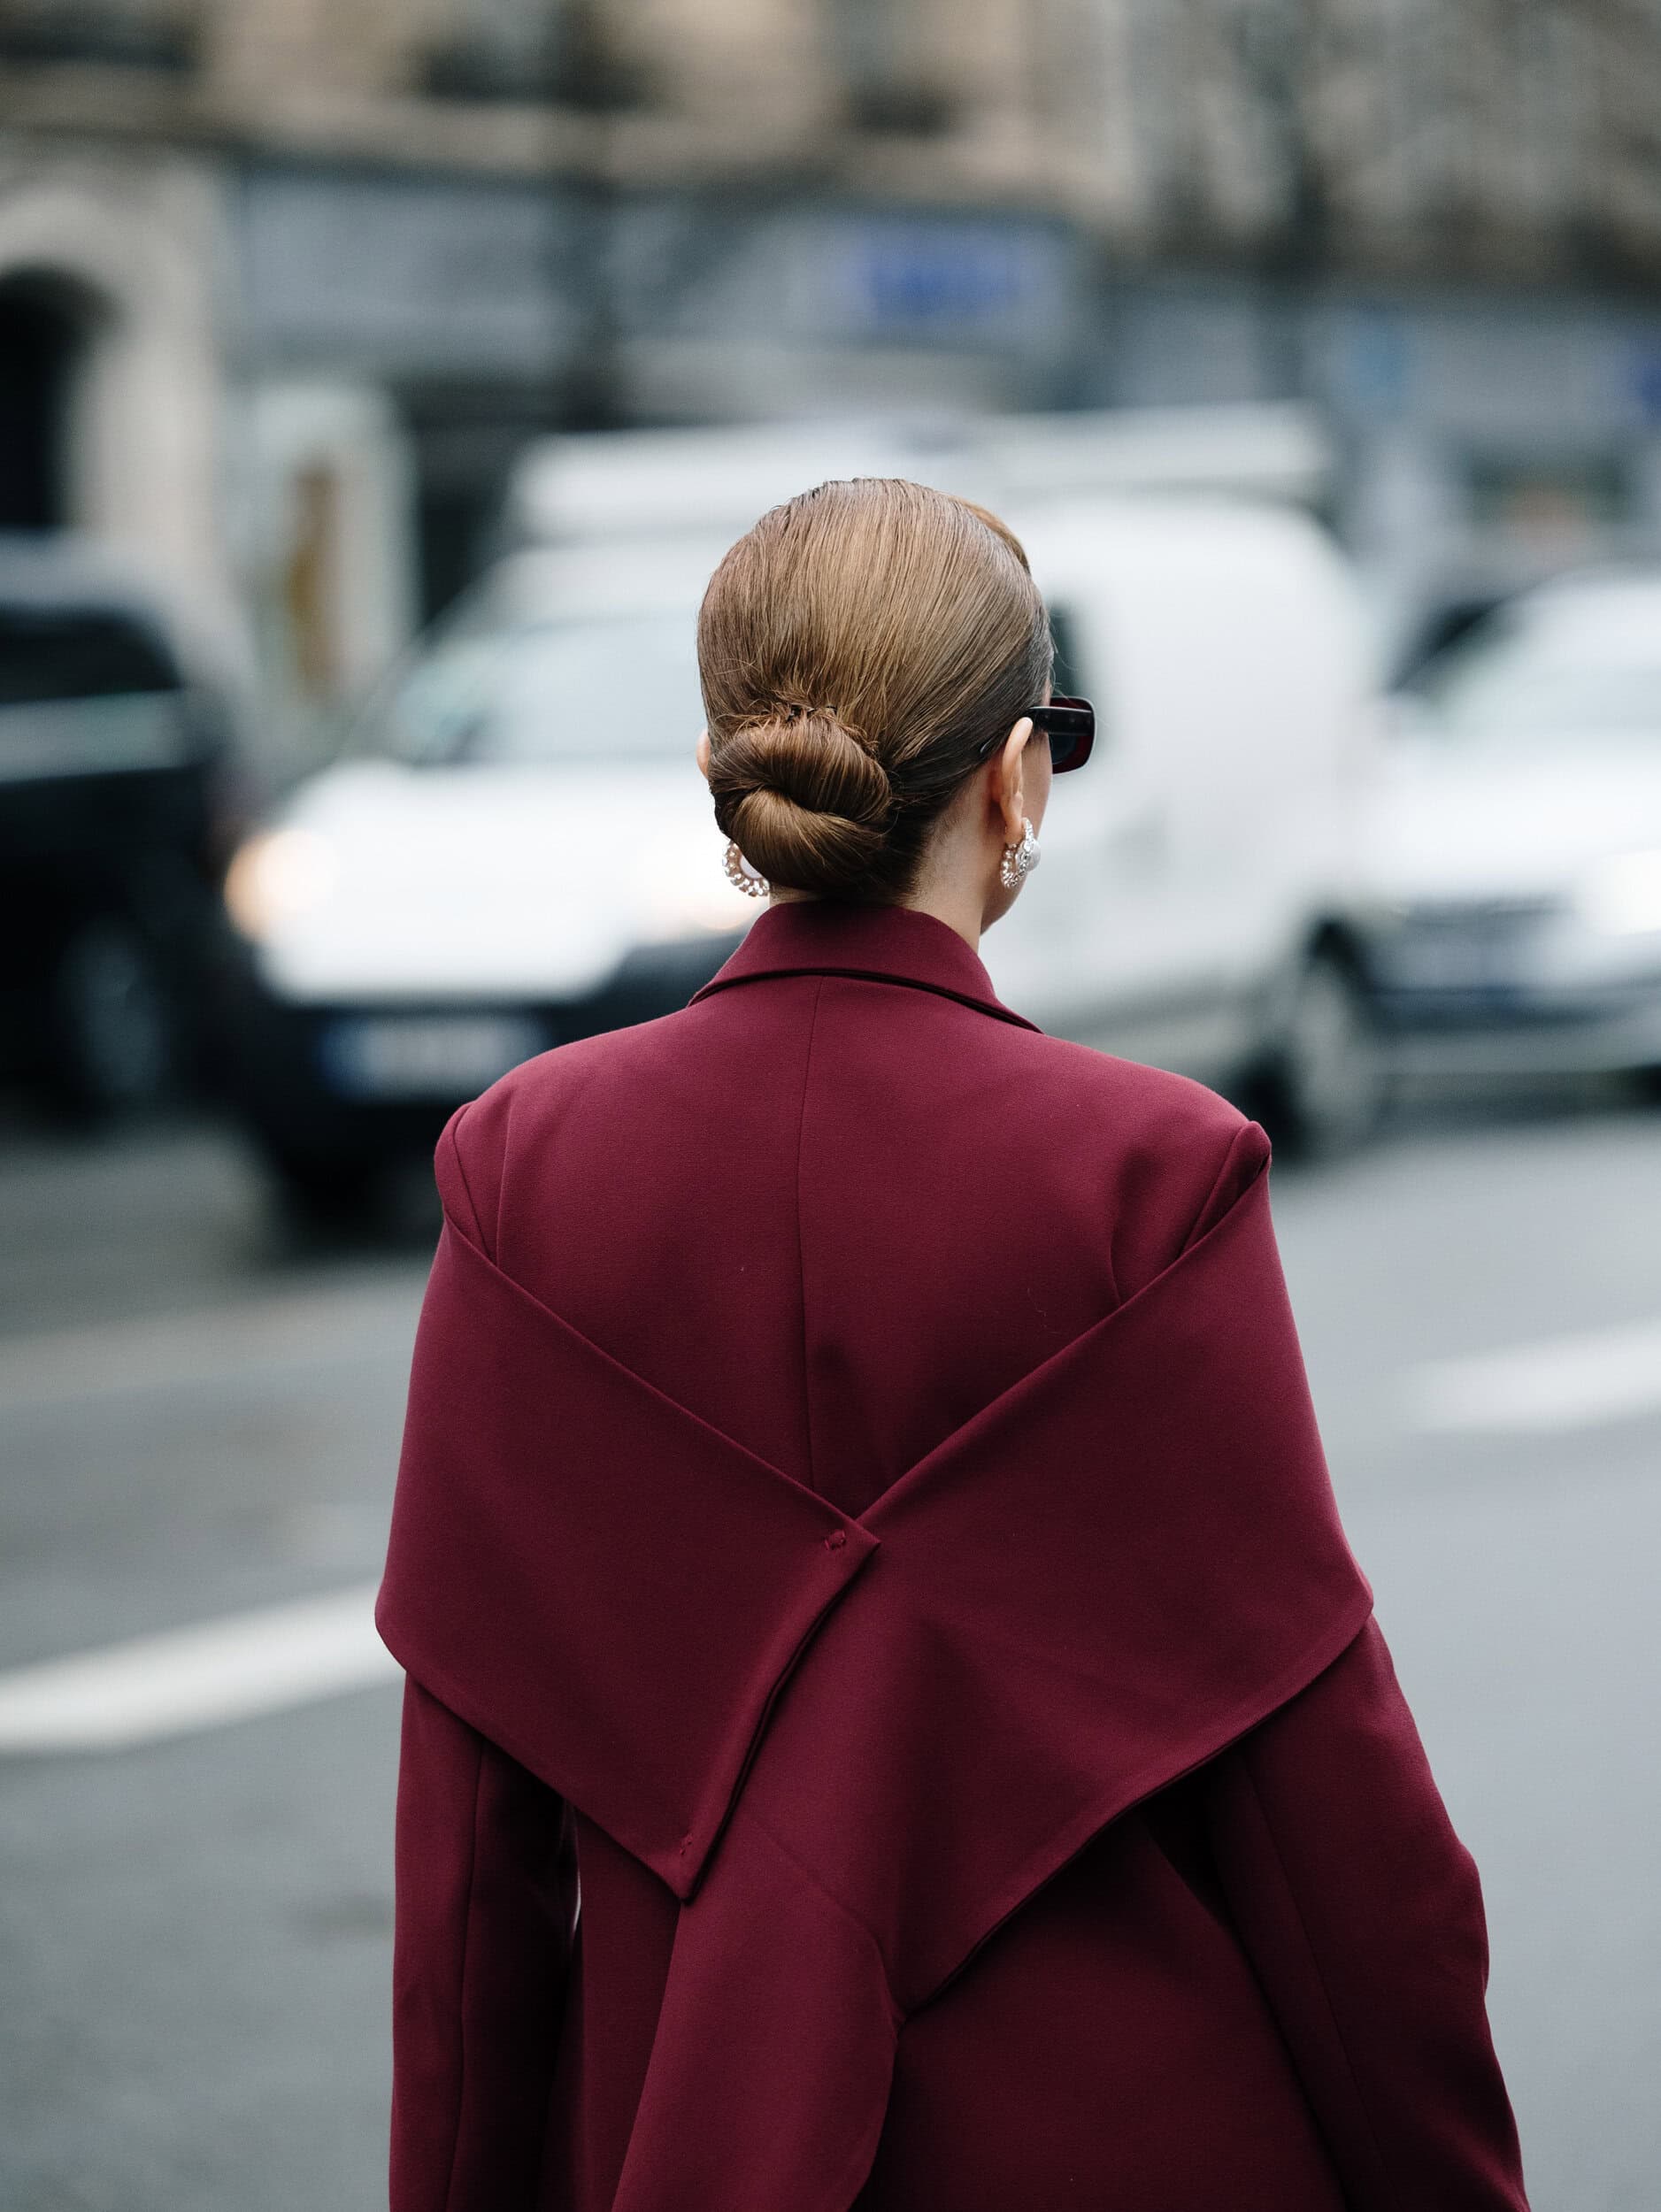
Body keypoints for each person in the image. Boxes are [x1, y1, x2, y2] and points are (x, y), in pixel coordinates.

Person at [376, 478, 1530, 2212]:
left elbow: (474, 1872)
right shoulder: (1149, 1176)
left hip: (690, 2135)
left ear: (725, 769)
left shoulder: (521, 1174)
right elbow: (1332, 1826)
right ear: (1016, 775)